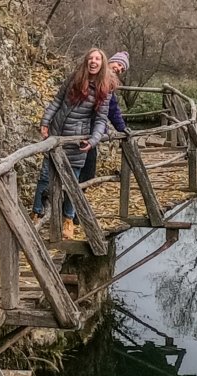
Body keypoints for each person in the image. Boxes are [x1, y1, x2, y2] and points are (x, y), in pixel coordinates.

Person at [31, 48, 117, 238]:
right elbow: (57, 101)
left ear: (102, 64)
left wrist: (93, 140)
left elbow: (101, 119)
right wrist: (45, 122)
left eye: (97, 59)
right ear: (86, 61)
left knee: (73, 181)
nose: (93, 61)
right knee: (45, 177)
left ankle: (68, 219)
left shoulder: (105, 87)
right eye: (90, 58)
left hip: (77, 140)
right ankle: (37, 213)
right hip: (56, 134)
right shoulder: (74, 78)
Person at [79, 51, 130, 184]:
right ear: (110, 61)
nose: (119, 69)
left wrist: (122, 128)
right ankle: (74, 192)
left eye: (122, 69)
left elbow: (111, 108)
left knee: (88, 165)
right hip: (80, 123)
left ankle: (77, 192)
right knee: (84, 164)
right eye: (119, 64)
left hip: (91, 126)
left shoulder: (109, 82)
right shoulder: (90, 75)